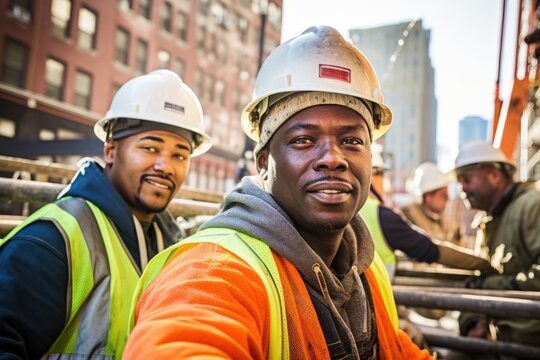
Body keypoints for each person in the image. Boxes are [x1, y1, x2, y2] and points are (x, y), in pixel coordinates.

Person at [124, 26, 433, 359]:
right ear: (263, 164)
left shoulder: (366, 273)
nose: (333, 158)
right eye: (303, 140)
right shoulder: (215, 271)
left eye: (352, 141)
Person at [0, 69, 212, 359]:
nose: (166, 166)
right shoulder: (53, 240)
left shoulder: (169, 243)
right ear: (111, 150)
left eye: (179, 155)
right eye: (150, 148)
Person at [452, 140, 540, 346]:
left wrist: (489, 286)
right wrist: (472, 321)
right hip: (506, 340)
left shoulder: (531, 206)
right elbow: (480, 277)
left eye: (467, 179)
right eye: (459, 181)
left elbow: (484, 283)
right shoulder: (486, 221)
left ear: (493, 174)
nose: (461, 188)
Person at [359, 148, 495, 282]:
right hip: (374, 298)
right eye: (382, 175)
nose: (384, 181)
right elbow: (428, 249)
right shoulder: (384, 217)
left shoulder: (350, 211)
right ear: (372, 175)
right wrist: (485, 265)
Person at [401, 162, 461, 245]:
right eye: (443, 196)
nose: (448, 199)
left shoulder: (444, 218)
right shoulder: (408, 220)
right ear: (428, 198)